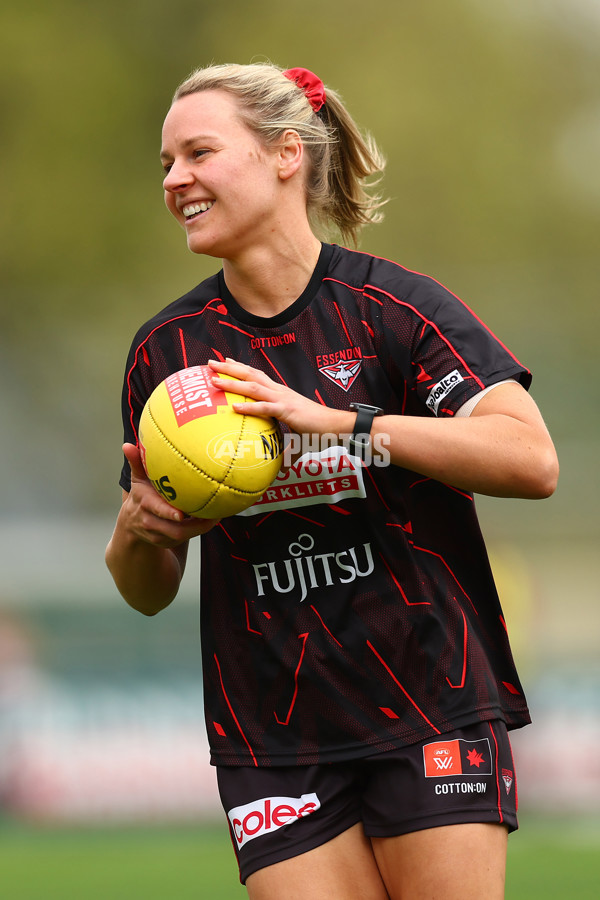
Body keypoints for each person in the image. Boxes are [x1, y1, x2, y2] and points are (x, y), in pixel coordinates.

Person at [105, 63, 558, 899]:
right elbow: (144, 589)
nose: (176, 180)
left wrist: (346, 426)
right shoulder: (166, 357)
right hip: (270, 731)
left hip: (431, 697)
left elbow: (531, 460)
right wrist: (141, 532)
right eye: (165, 164)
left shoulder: (396, 310)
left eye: (199, 152)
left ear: (284, 155)